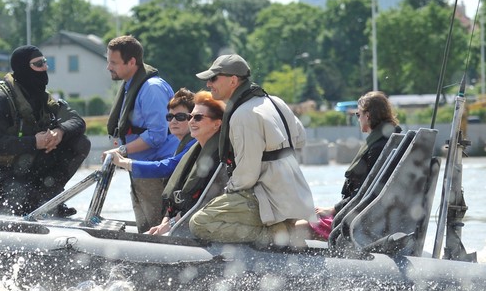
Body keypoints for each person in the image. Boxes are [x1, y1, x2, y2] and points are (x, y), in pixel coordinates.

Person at [188, 54, 314, 246]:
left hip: (267, 198)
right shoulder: (275, 101)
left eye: (213, 78)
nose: (208, 84)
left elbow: (247, 174)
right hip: (294, 195)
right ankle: (281, 227)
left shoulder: (243, 114)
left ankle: (272, 235)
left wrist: (229, 191)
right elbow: (300, 139)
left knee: (200, 223)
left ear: (233, 80)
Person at [0, 45, 91, 217]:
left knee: (81, 142)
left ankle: (49, 197)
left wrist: (59, 133)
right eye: (38, 64)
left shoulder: (43, 98)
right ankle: (35, 200)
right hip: (3, 176)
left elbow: (77, 121)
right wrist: (34, 142)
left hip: (31, 170)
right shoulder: (0, 100)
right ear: (23, 67)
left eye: (45, 62)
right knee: (20, 201)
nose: (45, 67)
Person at [296, 91, 402, 239]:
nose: (358, 119)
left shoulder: (378, 148)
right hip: (367, 216)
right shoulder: (389, 142)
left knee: (295, 229)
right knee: (300, 218)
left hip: (358, 222)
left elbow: (366, 192)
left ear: (368, 116)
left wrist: (332, 210)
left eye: (358, 115)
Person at [105, 35, 178, 232]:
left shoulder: (151, 89)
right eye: (108, 61)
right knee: (144, 226)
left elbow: (157, 135)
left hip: (156, 171)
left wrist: (122, 150)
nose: (108, 67)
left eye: (113, 62)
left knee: (155, 228)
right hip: (139, 169)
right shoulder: (130, 86)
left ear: (132, 62)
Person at [147, 91, 226, 235]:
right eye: (190, 117)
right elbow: (176, 198)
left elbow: (203, 203)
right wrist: (165, 222)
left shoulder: (220, 161)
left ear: (217, 124)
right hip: (179, 224)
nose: (191, 121)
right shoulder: (194, 153)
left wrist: (169, 225)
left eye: (198, 117)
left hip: (199, 228)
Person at [106, 88, 196, 180]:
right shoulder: (186, 144)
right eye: (169, 117)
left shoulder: (194, 144)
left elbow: (166, 168)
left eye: (180, 117)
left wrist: (123, 161)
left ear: (193, 118)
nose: (173, 121)